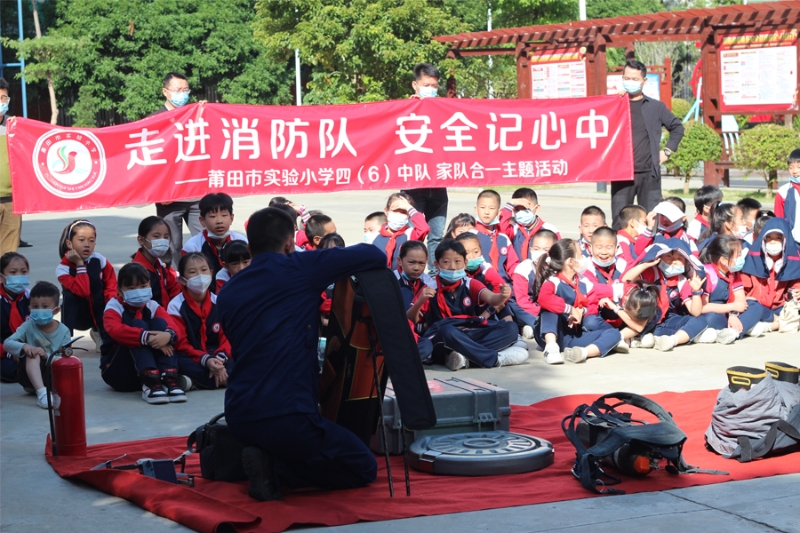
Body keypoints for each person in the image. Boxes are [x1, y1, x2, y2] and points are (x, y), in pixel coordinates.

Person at [218, 207, 387, 501]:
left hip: (240, 415)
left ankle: (264, 458)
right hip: (288, 415)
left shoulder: (230, 291)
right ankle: (276, 471)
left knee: (300, 440)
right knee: (363, 466)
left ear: (249, 246)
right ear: (288, 244)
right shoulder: (298, 267)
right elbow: (374, 256)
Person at [422, 239, 528, 371]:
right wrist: (421, 300)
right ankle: (495, 359)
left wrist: (502, 296)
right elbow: (413, 319)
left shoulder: (470, 283)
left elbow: (492, 299)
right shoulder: (430, 288)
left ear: (465, 263)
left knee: (511, 328)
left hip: (471, 332)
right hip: (445, 338)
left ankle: (465, 359)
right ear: (437, 265)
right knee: (447, 331)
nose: (453, 267)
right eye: (446, 262)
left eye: (457, 261)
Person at [611, 59, 684, 226]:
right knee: (619, 222)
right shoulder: (615, 105)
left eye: (635, 79)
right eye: (627, 78)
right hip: (622, 174)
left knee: (651, 222)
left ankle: (650, 251)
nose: (630, 82)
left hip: (649, 174)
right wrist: (615, 100)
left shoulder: (655, 107)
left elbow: (677, 128)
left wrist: (667, 152)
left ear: (644, 81)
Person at [100, 262, 184, 403]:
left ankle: (168, 377)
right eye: (131, 288)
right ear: (120, 291)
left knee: (160, 324)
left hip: (149, 368)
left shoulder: (152, 305)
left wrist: (167, 336)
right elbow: (115, 330)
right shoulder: (113, 307)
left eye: (143, 286)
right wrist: (148, 337)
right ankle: (149, 381)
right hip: (119, 371)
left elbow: (175, 327)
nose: (138, 291)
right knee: (138, 325)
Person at [532, 239, 621, 364]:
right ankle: (551, 348)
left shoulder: (584, 282)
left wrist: (581, 311)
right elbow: (544, 299)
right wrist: (570, 309)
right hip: (549, 334)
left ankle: (582, 353)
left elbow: (593, 304)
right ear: (570, 262)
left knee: (614, 334)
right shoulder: (553, 281)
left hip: (570, 337)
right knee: (549, 308)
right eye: (580, 255)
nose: (583, 257)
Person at [622, 239, 710, 352]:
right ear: (660, 257)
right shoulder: (652, 272)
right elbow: (626, 279)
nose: (674, 261)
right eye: (669, 256)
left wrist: (696, 292)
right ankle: (640, 337)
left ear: (686, 262)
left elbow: (695, 312)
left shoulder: (682, 280)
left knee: (700, 320)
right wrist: (646, 264)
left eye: (680, 259)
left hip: (667, 320)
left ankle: (671, 341)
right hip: (647, 318)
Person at [151, 72, 203, 263]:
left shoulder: (197, 116)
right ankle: (173, 286)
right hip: (169, 197)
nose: (183, 94)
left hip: (197, 194)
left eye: (185, 90)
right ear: (166, 92)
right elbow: (150, 164)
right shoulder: (154, 121)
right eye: (178, 90)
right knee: (170, 247)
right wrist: (159, 191)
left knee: (204, 243)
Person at [403, 63, 449, 273]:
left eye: (434, 85)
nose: (431, 88)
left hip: (438, 182)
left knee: (437, 236)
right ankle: (411, 274)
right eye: (426, 84)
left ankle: (435, 276)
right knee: (414, 233)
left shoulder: (444, 109)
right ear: (415, 85)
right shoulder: (404, 109)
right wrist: (410, 107)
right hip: (414, 183)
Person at [168, 253, 232, 391]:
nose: (200, 276)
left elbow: (227, 336)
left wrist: (220, 359)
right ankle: (224, 379)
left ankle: (197, 381)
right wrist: (206, 360)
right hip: (192, 356)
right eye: (192, 272)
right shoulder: (175, 306)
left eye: (204, 270)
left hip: (216, 353)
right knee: (174, 357)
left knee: (241, 354)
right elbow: (181, 344)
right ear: (183, 280)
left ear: (211, 273)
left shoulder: (219, 302)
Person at [3, 281, 71, 409]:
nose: (39, 310)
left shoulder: (64, 331)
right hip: (28, 378)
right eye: (35, 306)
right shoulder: (28, 325)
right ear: (30, 309)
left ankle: (47, 389)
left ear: (56, 310)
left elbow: (66, 359)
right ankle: (42, 393)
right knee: (32, 355)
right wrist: (24, 347)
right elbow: (7, 344)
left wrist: (47, 356)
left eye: (45, 307)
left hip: (54, 376)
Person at [56, 219, 117, 350]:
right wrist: (79, 264)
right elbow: (83, 291)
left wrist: (111, 306)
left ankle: (100, 332)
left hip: (100, 310)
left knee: (110, 297)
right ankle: (65, 340)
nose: (87, 245)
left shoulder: (100, 260)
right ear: (69, 243)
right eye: (81, 240)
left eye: (91, 240)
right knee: (70, 297)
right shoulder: (62, 269)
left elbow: (111, 284)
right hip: (80, 316)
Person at [699, 235, 764, 342]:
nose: (741, 258)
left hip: (730, 311)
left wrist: (733, 314)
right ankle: (743, 327)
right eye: (738, 255)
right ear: (724, 260)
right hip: (714, 312)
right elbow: (703, 307)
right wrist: (731, 307)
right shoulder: (708, 274)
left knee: (755, 306)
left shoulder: (733, 273)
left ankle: (732, 332)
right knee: (710, 318)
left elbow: (740, 298)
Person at [181, 193, 247, 290]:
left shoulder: (242, 242)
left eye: (224, 215)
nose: (219, 221)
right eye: (212, 216)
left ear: (231, 218)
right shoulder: (192, 247)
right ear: (202, 221)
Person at [131, 216, 181, 308]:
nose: (162, 241)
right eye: (156, 236)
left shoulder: (160, 265)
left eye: (166, 237)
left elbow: (174, 287)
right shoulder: (135, 271)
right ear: (141, 240)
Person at [499, 188, 560, 261]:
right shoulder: (514, 228)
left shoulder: (550, 229)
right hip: (517, 271)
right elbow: (502, 231)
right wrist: (510, 203)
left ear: (537, 208)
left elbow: (559, 253)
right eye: (517, 209)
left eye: (526, 209)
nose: (521, 213)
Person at [372, 192, 429, 269]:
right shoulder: (375, 235)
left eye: (403, 212)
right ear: (386, 211)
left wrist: (409, 208)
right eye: (395, 211)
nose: (399, 215)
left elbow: (424, 228)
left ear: (408, 216)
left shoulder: (409, 235)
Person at [0, 252, 30, 383]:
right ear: (1, 277)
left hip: (27, 349)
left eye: (23, 272)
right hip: (4, 351)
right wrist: (10, 354)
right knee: (10, 370)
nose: (19, 276)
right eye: (13, 272)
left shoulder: (32, 297)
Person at [0, 77, 21, 255]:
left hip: (11, 201)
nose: (1, 102)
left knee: (8, 255)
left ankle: (5, 284)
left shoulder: (13, 127)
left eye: (4, 98)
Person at [774, 148, 800, 244]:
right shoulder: (782, 192)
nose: (795, 171)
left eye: (799, 167)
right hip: (792, 242)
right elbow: (778, 219)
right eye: (791, 167)